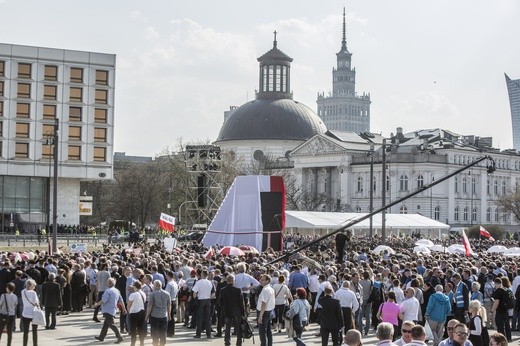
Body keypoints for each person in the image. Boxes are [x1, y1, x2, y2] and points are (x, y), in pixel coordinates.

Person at [94, 277, 126, 344]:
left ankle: (119, 337)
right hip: (113, 309)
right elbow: (121, 300)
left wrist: (96, 304)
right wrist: (124, 308)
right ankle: (101, 337)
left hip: (107, 310)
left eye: (107, 282)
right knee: (106, 324)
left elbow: (103, 300)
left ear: (108, 283)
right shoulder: (117, 290)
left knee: (112, 324)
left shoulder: (108, 291)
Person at [218, 274, 244, 346]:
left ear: (227, 281)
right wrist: (243, 312)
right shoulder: (238, 290)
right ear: (233, 281)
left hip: (227, 311)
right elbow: (241, 303)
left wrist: (223, 307)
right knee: (238, 328)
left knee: (228, 327)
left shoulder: (223, 290)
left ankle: (227, 342)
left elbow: (220, 302)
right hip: (237, 311)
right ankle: (239, 342)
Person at [146, 279, 171, 346]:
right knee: (163, 332)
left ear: (155, 285)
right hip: (164, 315)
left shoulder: (152, 294)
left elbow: (150, 305)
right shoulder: (167, 293)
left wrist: (147, 316)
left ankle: (155, 344)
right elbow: (169, 305)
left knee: (155, 332)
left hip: (155, 315)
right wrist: (169, 314)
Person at [192, 269, 213, 339]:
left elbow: (194, 293)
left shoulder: (198, 282)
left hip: (200, 300)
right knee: (208, 318)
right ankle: (208, 334)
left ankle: (198, 334)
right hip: (207, 300)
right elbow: (212, 294)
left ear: (202, 275)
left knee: (199, 317)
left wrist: (195, 298)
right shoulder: (210, 283)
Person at [491, 277, 512, 342]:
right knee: (507, 326)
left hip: (500, 311)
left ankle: (502, 341)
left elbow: (496, 303)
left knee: (500, 327)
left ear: (496, 283)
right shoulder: (507, 289)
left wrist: (491, 311)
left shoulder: (498, 290)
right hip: (506, 311)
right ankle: (509, 338)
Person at [257, 274, 275, 346]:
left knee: (262, 331)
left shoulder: (266, 290)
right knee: (268, 331)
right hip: (268, 311)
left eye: (262, 280)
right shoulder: (270, 288)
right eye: (261, 279)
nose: (261, 281)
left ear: (267, 281)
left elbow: (264, 303)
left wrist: (260, 316)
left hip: (264, 312)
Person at [127, 281, 146, 346]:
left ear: (135, 286)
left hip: (134, 312)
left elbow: (129, 305)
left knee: (133, 329)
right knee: (141, 328)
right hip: (142, 311)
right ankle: (142, 342)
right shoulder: (143, 293)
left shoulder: (133, 294)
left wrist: (129, 312)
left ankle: (133, 343)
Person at [21, 279, 39, 346]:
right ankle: (35, 344)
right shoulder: (33, 293)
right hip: (33, 313)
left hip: (25, 313)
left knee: (26, 331)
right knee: (34, 331)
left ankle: (24, 344)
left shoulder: (22, 292)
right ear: (31, 285)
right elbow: (36, 302)